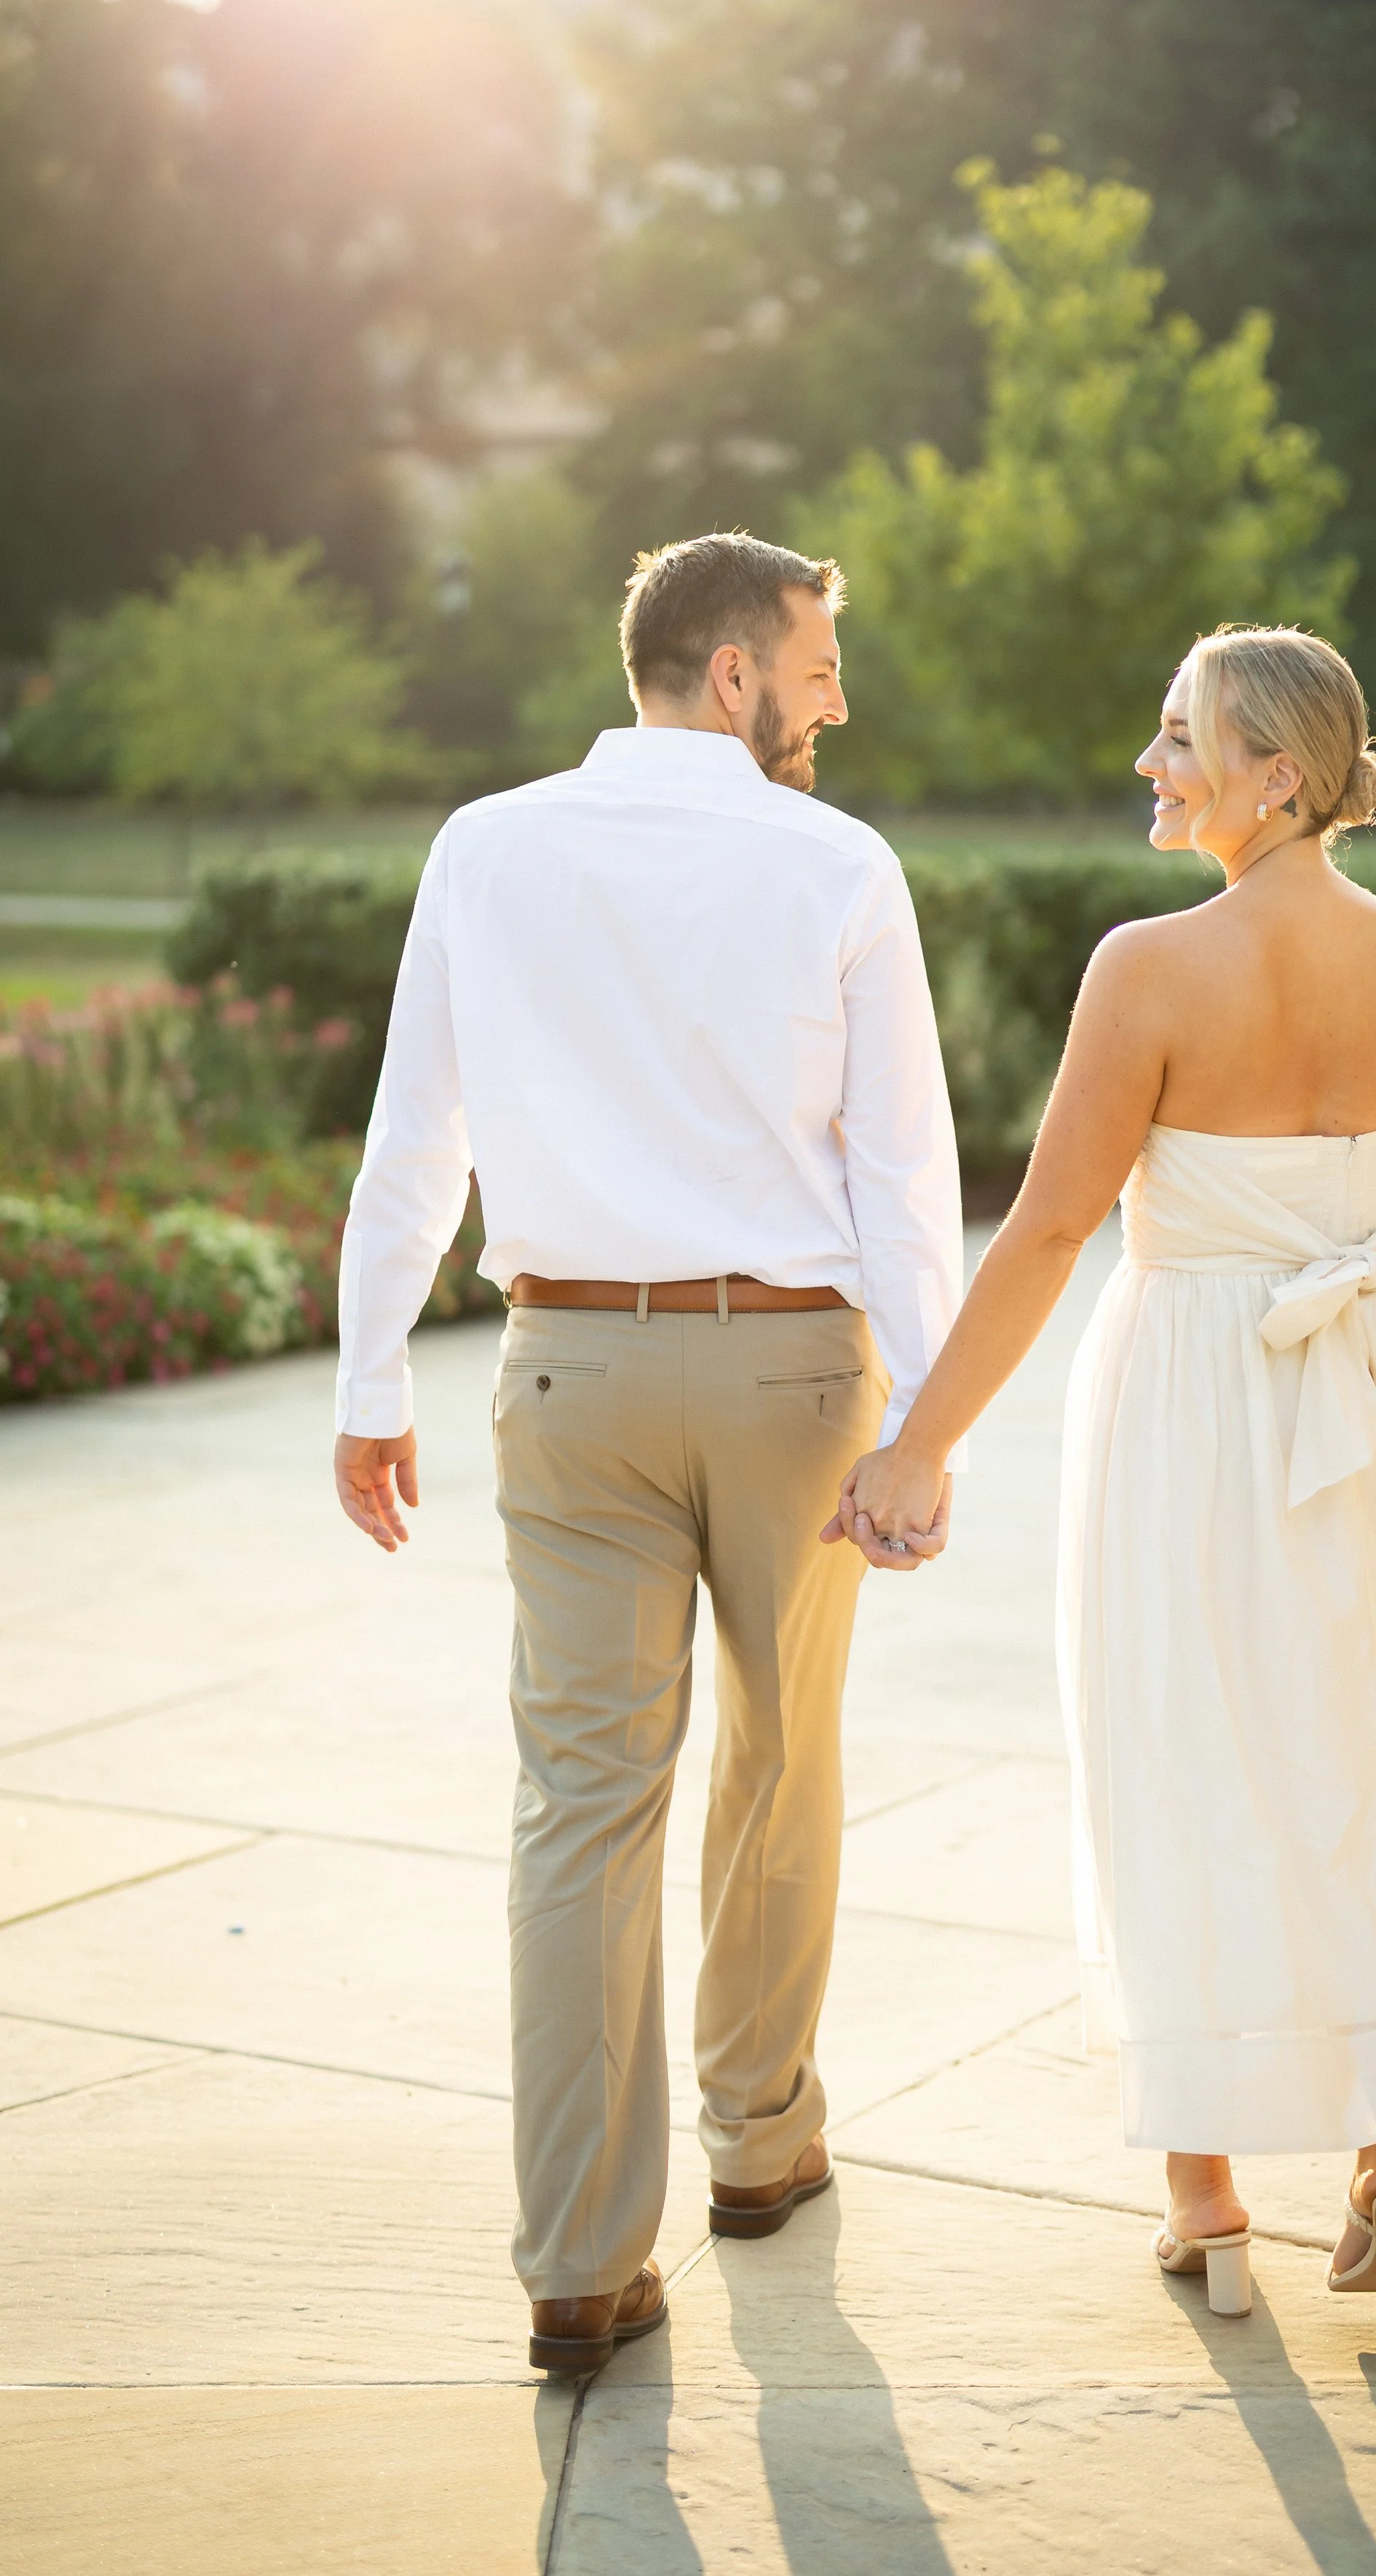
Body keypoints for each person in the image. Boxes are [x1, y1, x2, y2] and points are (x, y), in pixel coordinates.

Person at [831, 624, 1376, 2315]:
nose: (1148, 764)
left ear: (1272, 775)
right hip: (1363, 1396)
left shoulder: (1145, 968)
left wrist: (918, 1442)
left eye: (1176, 737)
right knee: (1372, 1751)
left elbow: (1056, 1224)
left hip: (1188, 1406)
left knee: (1179, 1761)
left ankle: (1210, 2208)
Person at [332, 532, 963, 2374]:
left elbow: (411, 1133)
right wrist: (919, 1424)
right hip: (789, 1382)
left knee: (578, 1807)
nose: (839, 696)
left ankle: (576, 2259)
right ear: (732, 672)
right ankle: (760, 2146)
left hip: (567, 1375)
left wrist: (375, 1375)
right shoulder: (837, 863)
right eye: (819, 661)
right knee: (780, 1754)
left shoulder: (484, 843)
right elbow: (899, 1176)